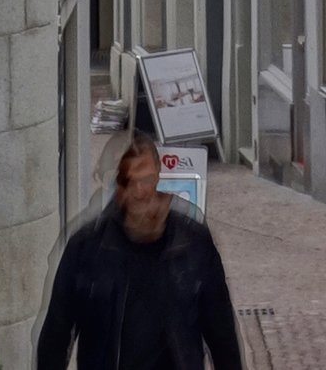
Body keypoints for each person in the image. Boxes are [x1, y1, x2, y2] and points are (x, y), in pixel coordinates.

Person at [34, 136, 245, 370]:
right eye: (129, 181)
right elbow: (55, 338)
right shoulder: (86, 249)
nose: (140, 191)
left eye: (145, 179)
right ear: (118, 188)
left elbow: (222, 336)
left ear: (157, 175)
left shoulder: (193, 243)